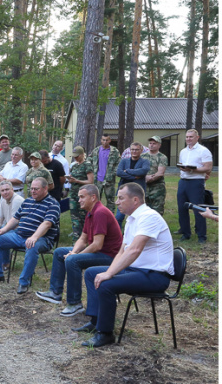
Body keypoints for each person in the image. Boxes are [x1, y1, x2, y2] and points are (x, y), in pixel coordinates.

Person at [75, 183, 174, 347]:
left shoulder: (149, 217)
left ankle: (105, 334)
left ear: (135, 200)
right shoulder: (131, 220)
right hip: (136, 270)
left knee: (106, 284)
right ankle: (96, 321)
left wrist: (109, 274)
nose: (117, 202)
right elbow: (122, 251)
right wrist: (110, 270)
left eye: (121, 198)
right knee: (92, 273)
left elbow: (134, 250)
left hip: (155, 276)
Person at [36, 184, 123, 317]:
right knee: (60, 252)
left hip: (110, 256)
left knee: (72, 261)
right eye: (78, 197)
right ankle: (55, 292)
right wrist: (74, 252)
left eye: (82, 197)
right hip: (99, 252)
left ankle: (75, 303)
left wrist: (76, 256)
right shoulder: (90, 212)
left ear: (93, 197)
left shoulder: (100, 212)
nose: (79, 200)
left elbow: (97, 245)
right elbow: (83, 239)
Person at [0, 178, 60, 294]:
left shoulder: (53, 204)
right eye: (31, 188)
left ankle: (24, 281)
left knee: (32, 245)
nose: (32, 191)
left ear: (45, 188)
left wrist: (34, 237)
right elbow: (15, 219)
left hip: (42, 239)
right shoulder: (28, 201)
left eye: (36, 189)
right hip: (19, 235)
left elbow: (47, 223)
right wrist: (3, 230)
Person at [176, 129, 213, 243]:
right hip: (183, 181)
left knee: (198, 209)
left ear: (197, 137)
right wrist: (183, 168)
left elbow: (208, 168)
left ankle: (201, 236)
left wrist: (193, 170)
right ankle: (186, 233)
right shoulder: (183, 151)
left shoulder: (203, 151)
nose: (188, 139)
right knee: (182, 208)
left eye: (191, 137)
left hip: (196, 182)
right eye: (187, 137)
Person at [115, 142, 151, 226]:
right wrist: (134, 177)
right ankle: (117, 237)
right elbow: (119, 172)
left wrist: (127, 170)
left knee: (136, 217)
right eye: (132, 149)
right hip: (124, 191)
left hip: (137, 193)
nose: (134, 151)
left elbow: (143, 171)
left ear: (141, 150)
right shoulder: (124, 161)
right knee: (119, 217)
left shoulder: (145, 161)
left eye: (136, 149)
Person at [66, 146, 95, 239]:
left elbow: (90, 181)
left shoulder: (87, 165)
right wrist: (70, 179)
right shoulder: (74, 165)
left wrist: (77, 181)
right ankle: (76, 238)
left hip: (83, 196)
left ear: (82, 155)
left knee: (83, 217)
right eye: (74, 156)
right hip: (74, 195)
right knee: (74, 217)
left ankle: (85, 238)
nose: (75, 158)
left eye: (77, 156)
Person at [88, 133, 120, 213]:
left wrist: (113, 173)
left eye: (107, 140)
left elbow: (118, 163)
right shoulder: (96, 150)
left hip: (109, 180)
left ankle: (110, 217)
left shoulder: (114, 151)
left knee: (110, 200)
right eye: (103, 140)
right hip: (97, 179)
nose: (105, 142)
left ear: (110, 140)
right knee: (95, 199)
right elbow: (89, 159)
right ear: (101, 140)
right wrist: (91, 169)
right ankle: (95, 214)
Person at [0, 146, 27, 219]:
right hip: (4, 193)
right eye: (12, 154)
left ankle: (12, 229)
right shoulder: (8, 164)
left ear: (21, 156)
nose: (13, 156)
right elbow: (0, 174)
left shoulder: (23, 166)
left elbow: (19, 180)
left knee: (14, 216)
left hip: (16, 193)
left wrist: (5, 180)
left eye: (16, 155)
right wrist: (0, 177)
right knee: (2, 215)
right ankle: (2, 229)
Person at [141, 136, 168, 215]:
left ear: (159, 145)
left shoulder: (162, 157)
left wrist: (149, 178)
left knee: (157, 211)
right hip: (144, 187)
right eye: (150, 143)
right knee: (144, 210)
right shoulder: (143, 156)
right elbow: (139, 170)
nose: (151, 145)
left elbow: (160, 173)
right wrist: (144, 178)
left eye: (154, 144)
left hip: (157, 188)